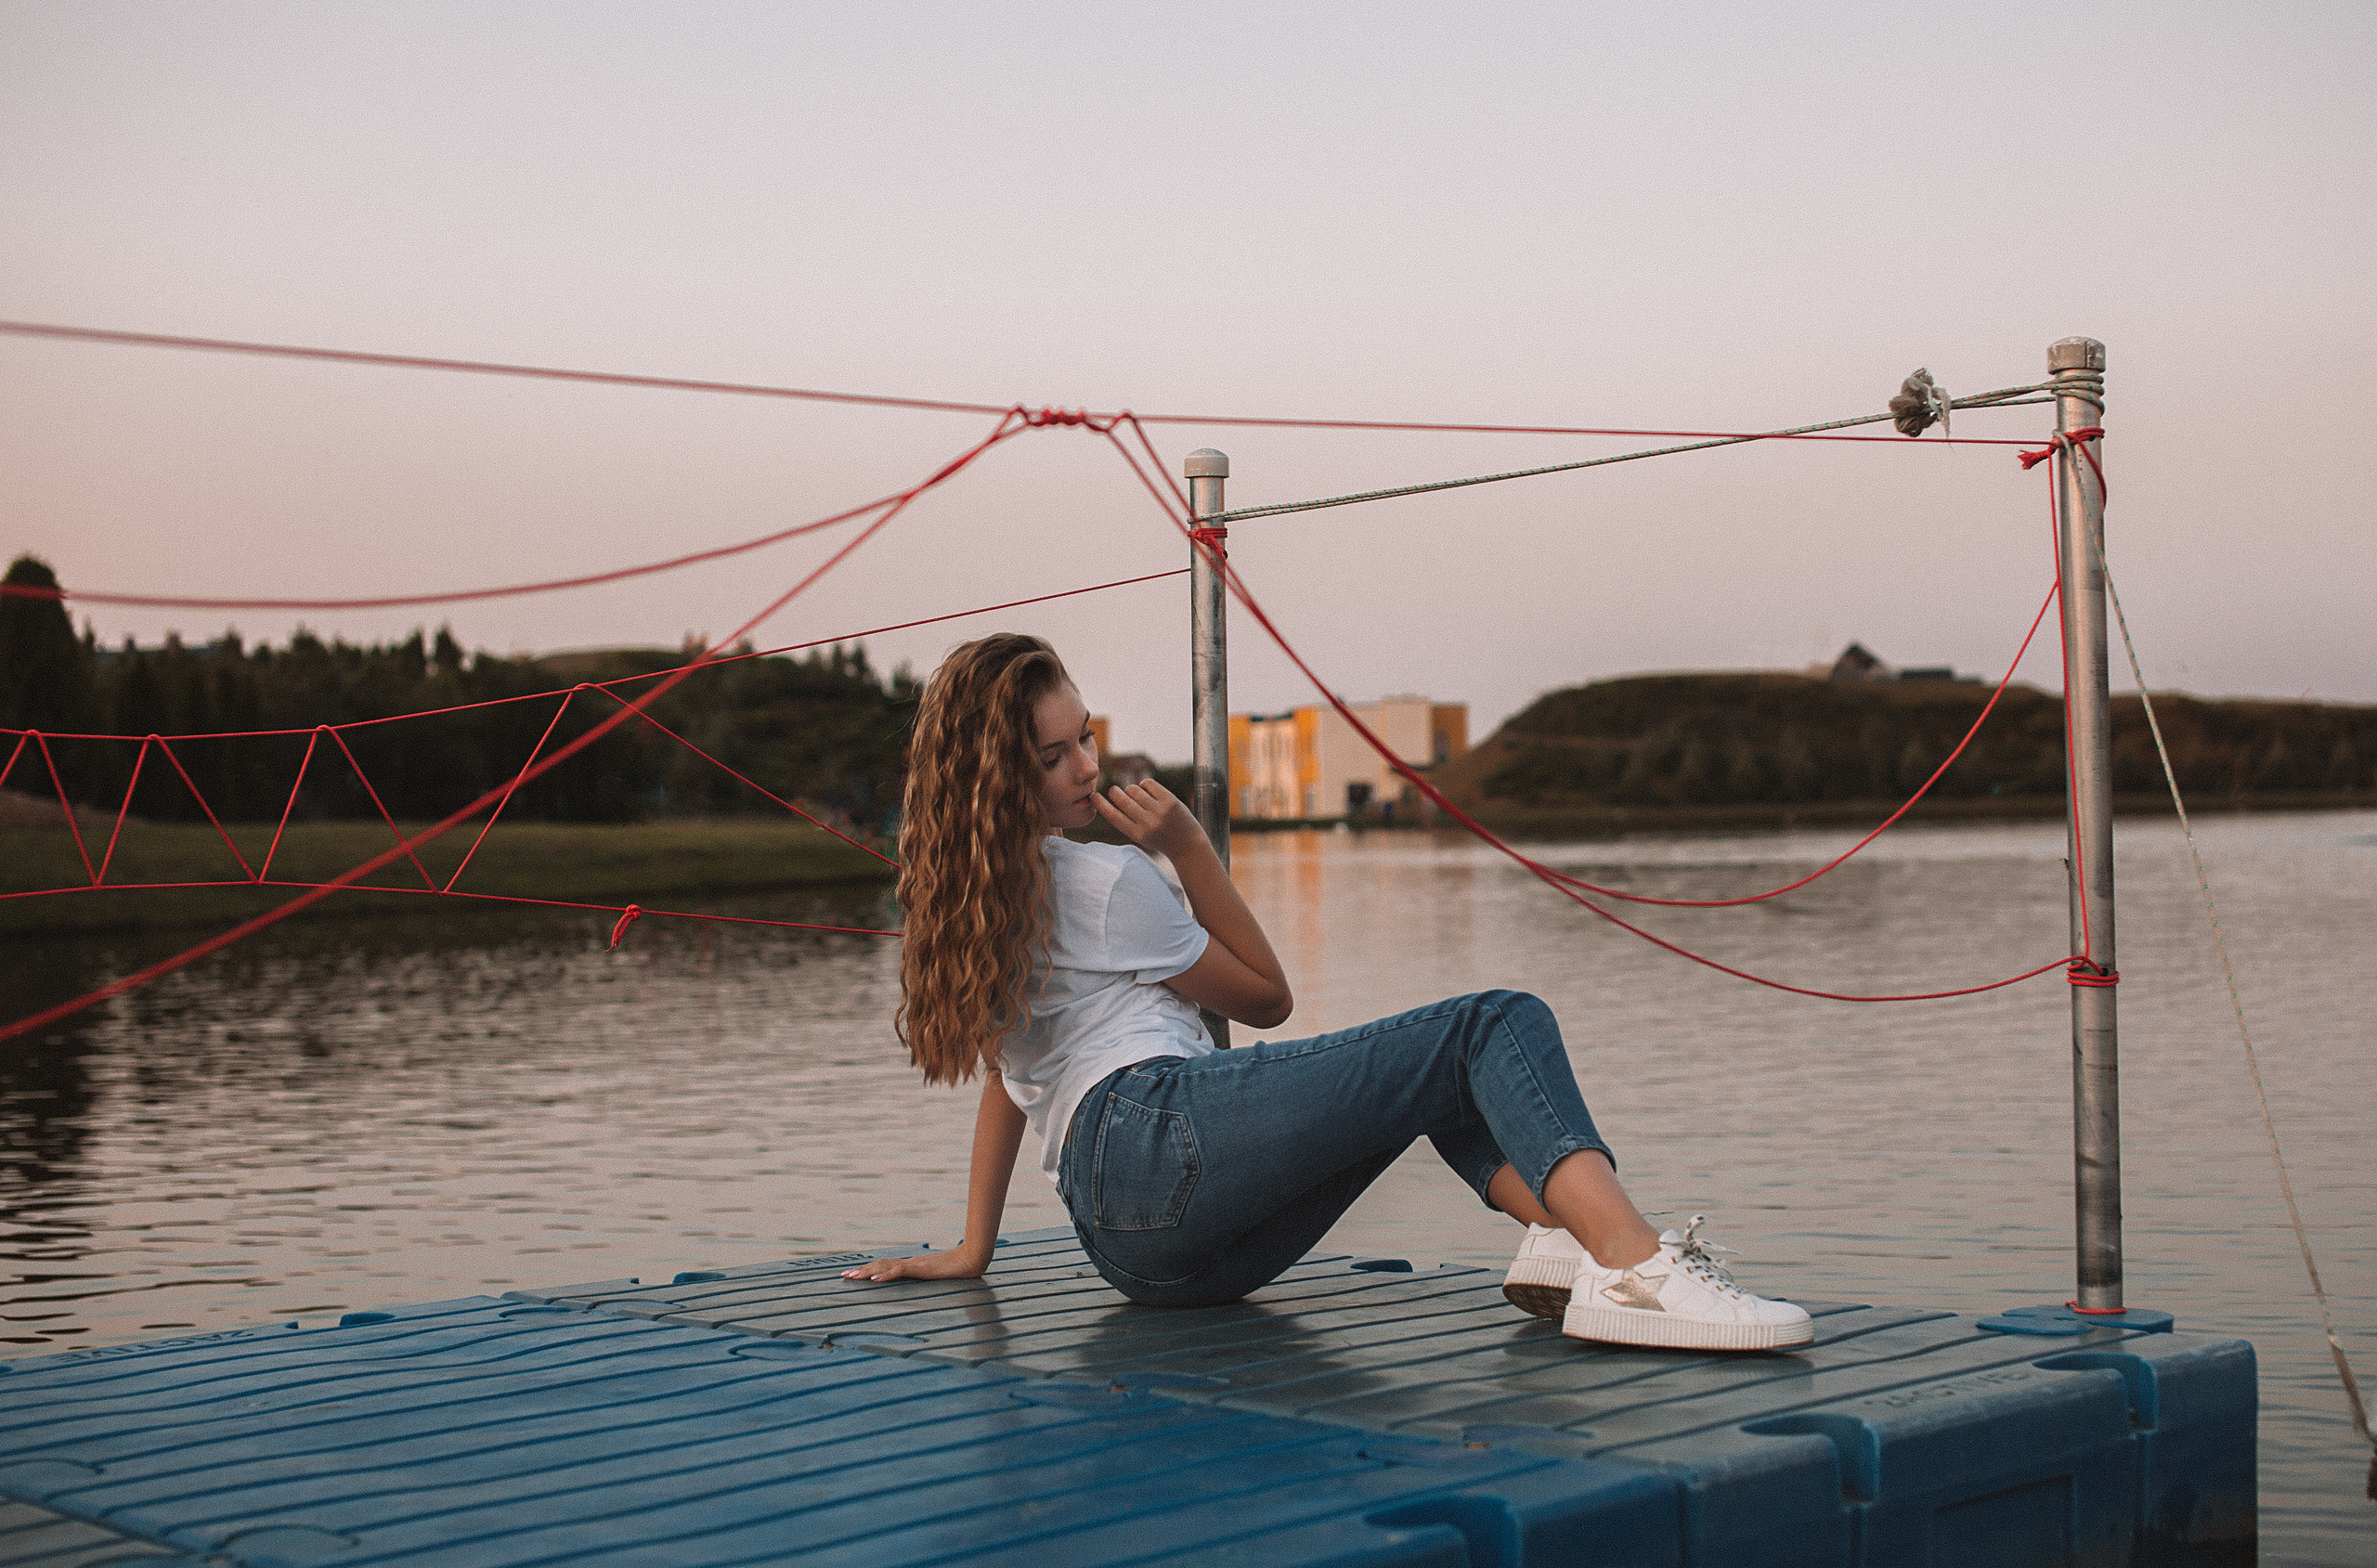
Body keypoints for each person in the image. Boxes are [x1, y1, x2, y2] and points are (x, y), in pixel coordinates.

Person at [845, 633, 1811, 1351]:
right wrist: (1186, 846)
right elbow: (1266, 996)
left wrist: (974, 1247)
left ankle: (1565, 1237)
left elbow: (1008, 1076)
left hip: (1136, 1254)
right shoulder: (1104, 882)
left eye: (1085, 737)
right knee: (1490, 1026)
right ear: (996, 777)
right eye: (1052, 756)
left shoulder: (975, 903)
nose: (1088, 766)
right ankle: (1636, 1269)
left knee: (1430, 1081)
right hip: (1154, 1136)